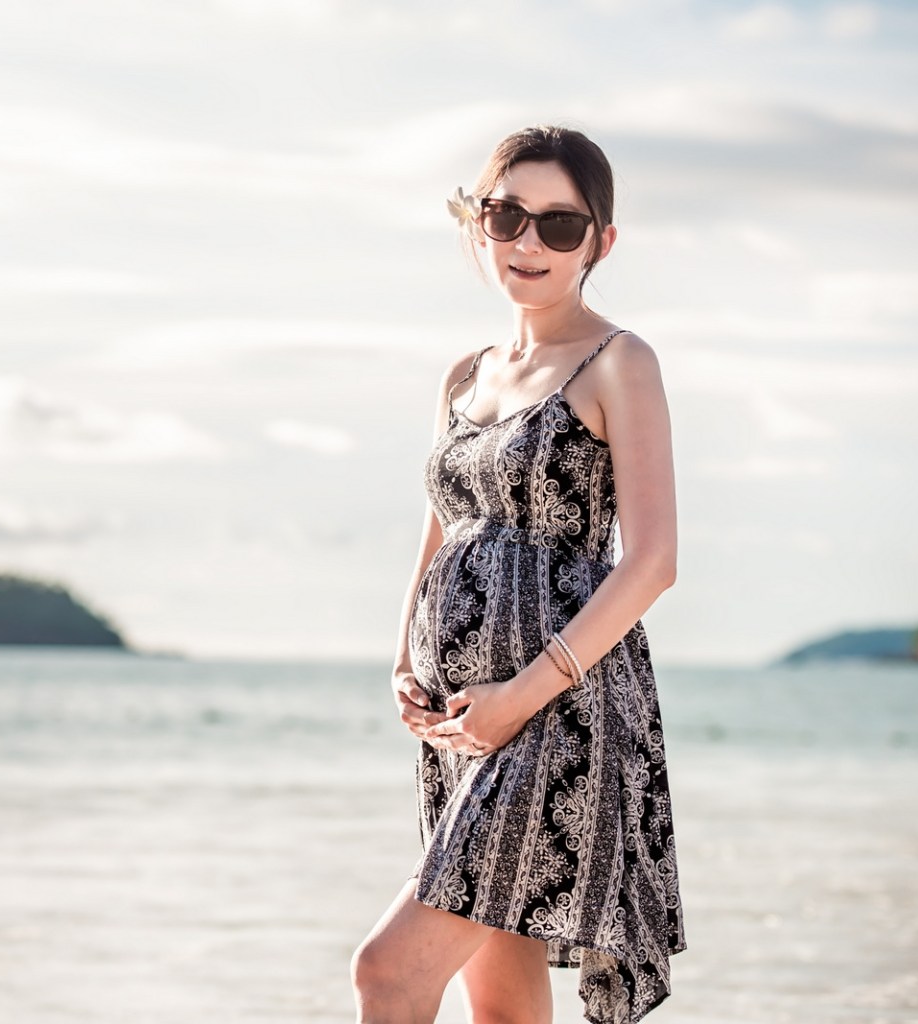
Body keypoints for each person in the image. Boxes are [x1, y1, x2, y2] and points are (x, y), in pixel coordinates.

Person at [350, 125, 688, 1024]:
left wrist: (522, 696)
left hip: (558, 713)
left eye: (559, 224)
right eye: (507, 216)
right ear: (479, 223)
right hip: (462, 719)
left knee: (386, 972)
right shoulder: (465, 375)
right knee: (501, 1007)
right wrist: (404, 661)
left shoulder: (618, 362)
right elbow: (442, 530)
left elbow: (653, 562)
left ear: (600, 241)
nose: (528, 242)